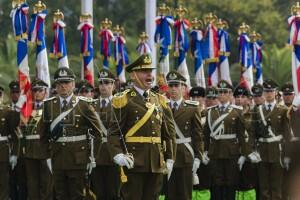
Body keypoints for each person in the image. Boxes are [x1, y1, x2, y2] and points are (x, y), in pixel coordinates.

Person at [108, 54, 176, 200]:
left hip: (156, 162)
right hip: (134, 161)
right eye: (144, 72)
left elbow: (168, 134)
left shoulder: (160, 100)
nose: (150, 75)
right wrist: (118, 155)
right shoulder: (123, 100)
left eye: (150, 72)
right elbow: (113, 133)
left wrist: (170, 158)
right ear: (133, 75)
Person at [39, 67, 103, 199]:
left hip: (78, 159)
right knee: (60, 195)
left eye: (67, 82)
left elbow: (98, 133)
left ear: (73, 84)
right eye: (59, 83)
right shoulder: (48, 106)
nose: (63, 86)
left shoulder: (83, 105)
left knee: (77, 195)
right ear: (55, 86)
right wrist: (47, 158)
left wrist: (92, 157)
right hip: (57, 159)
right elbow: (43, 135)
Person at [203, 80, 250, 200]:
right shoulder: (210, 112)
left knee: (230, 184)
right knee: (216, 184)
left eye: (225, 92)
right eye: (220, 92)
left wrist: (243, 154)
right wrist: (204, 152)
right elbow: (206, 135)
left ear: (230, 94)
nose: (222, 94)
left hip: (231, 153)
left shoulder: (237, 111)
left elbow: (241, 135)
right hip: (215, 153)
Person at [166, 71, 203, 200]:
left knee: (185, 195)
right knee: (169, 195)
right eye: (171, 86)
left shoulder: (191, 108)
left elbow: (197, 134)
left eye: (177, 85)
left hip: (185, 156)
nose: (174, 89)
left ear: (183, 88)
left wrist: (198, 156)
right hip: (167, 156)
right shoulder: (162, 107)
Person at [252, 79, 290, 200]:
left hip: (277, 152)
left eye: (271, 91)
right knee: (264, 188)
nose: (268, 94)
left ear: (275, 92)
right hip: (262, 152)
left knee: (276, 187)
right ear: (263, 93)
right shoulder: (257, 110)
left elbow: (287, 134)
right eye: (266, 91)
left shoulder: (283, 110)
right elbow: (254, 133)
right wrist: (253, 151)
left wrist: (287, 154)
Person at [90, 68, 122, 200]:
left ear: (113, 85)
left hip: (113, 154)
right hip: (96, 155)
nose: (103, 86)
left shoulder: (120, 104)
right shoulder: (91, 105)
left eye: (107, 83)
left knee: (114, 193)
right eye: (101, 83)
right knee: (99, 193)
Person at [22, 79, 53, 200]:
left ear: (46, 92)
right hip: (30, 152)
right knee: (32, 185)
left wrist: (51, 153)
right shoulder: (27, 110)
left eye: (40, 90)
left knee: (46, 185)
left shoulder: (49, 108)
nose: (37, 93)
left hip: (45, 152)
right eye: (35, 90)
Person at [234, 85, 260, 200]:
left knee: (251, 184)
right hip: (237, 152)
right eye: (238, 96)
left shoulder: (256, 113)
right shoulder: (234, 113)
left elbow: (255, 135)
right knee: (239, 184)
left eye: (244, 96)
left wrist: (247, 154)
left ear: (250, 99)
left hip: (252, 154)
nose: (241, 99)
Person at [8, 80, 27, 200]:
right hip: (9, 148)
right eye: (13, 92)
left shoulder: (26, 109)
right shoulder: (6, 108)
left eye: (17, 92)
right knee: (10, 180)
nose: (15, 94)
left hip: (23, 149)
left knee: (23, 180)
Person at [0, 85, 19, 200]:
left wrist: (14, 154)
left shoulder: (7, 111)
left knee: (3, 182)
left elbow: (14, 133)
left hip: (2, 150)